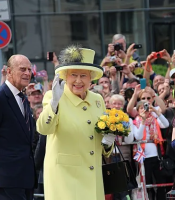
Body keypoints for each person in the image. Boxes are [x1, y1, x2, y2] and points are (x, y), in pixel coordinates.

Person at [36, 46, 115, 200]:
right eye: (73, 75)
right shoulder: (53, 96)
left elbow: (100, 141)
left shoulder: (97, 100)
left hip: (93, 177)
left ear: (91, 78)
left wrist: (108, 142)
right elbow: (44, 128)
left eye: (83, 75)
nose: (78, 80)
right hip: (65, 179)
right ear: (65, 76)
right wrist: (54, 103)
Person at [0, 54, 36, 200]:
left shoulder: (23, 98)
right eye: (22, 69)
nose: (27, 73)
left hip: (25, 179)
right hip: (6, 179)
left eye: (29, 69)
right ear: (9, 72)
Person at [130, 101, 169, 200]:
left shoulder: (154, 119)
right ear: (138, 111)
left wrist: (156, 111)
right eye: (141, 108)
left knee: (160, 183)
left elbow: (166, 124)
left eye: (146, 107)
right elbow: (138, 136)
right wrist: (143, 121)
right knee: (147, 184)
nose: (145, 110)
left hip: (157, 156)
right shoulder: (136, 122)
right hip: (144, 157)